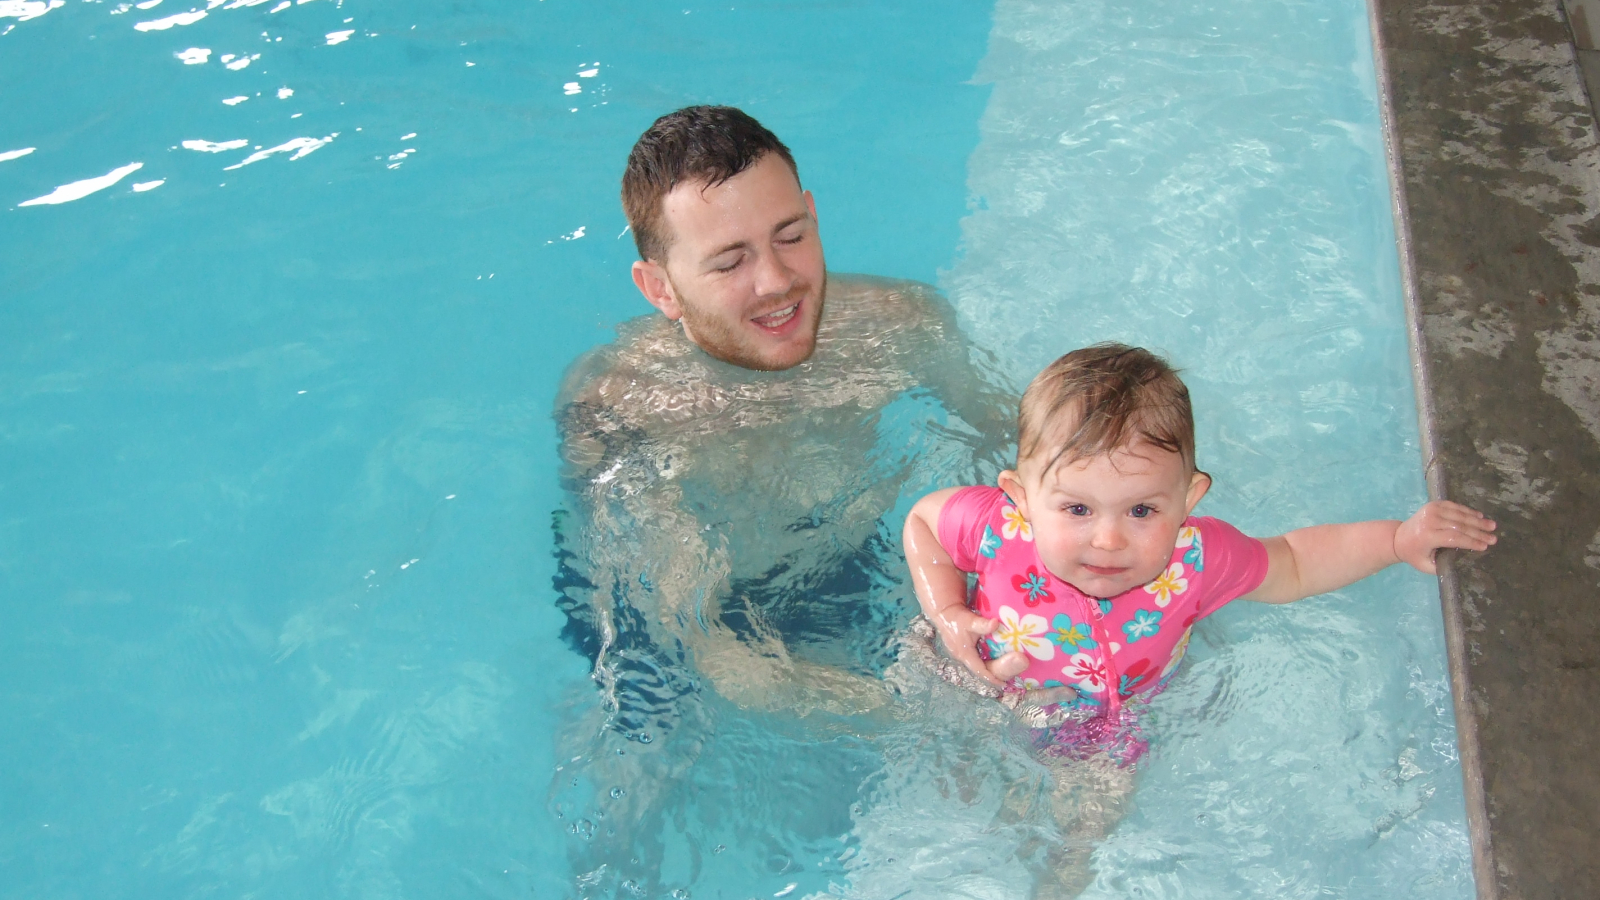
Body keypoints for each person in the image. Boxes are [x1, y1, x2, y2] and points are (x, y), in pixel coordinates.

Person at [551, 105, 1014, 896]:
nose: (776, 282)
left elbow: (1025, 458)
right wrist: (946, 718)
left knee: (846, 816)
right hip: (667, 615)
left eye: (791, 235)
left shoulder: (901, 327)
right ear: (659, 287)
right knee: (634, 780)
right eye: (728, 261)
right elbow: (711, 651)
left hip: (833, 566)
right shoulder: (622, 407)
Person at [900, 343, 1496, 896]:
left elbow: (1292, 562)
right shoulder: (996, 528)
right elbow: (922, 524)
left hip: (1111, 723)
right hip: (983, 682)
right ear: (1021, 497)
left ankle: (1062, 877)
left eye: (1141, 510)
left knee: (1092, 816)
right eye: (1076, 508)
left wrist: (1396, 540)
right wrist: (949, 613)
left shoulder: (1197, 560)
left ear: (1188, 499)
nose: (1107, 539)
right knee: (957, 769)